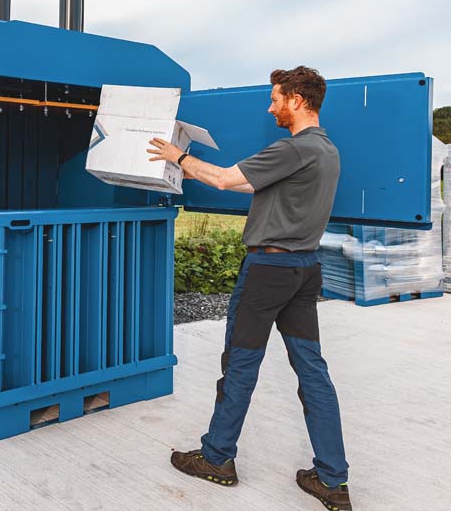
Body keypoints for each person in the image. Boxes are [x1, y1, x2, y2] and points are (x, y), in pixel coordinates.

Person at [147, 66, 351, 511]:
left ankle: (217, 458)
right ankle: (333, 481)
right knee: (312, 371)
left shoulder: (295, 149)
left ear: (297, 99)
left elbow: (223, 179)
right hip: (303, 269)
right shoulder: (328, 151)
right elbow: (257, 189)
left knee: (240, 364)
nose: (270, 106)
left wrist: (175, 156)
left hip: (267, 272)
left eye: (276, 98)